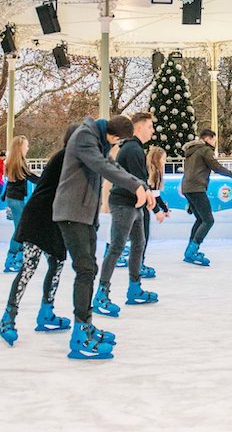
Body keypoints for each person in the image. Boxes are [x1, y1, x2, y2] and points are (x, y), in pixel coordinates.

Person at [53, 115, 153, 360]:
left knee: (90, 268)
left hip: (84, 214)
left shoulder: (96, 140)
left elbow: (114, 166)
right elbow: (103, 167)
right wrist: (135, 186)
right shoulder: (85, 137)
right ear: (115, 137)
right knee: (86, 270)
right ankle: (80, 334)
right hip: (71, 213)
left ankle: (85, 325)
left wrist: (141, 186)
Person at [0, 125, 77, 346]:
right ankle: (8, 317)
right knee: (29, 267)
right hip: (38, 219)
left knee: (57, 263)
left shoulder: (72, 159)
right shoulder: (64, 158)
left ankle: (46, 313)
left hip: (53, 220)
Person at [93, 112, 165, 317]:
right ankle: (101, 294)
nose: (153, 130)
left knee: (138, 244)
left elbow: (139, 181)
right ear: (140, 127)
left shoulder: (134, 148)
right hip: (124, 204)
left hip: (134, 205)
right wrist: (155, 205)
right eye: (150, 126)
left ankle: (134, 287)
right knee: (117, 247)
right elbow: (137, 181)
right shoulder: (133, 149)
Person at [180, 128, 232, 266]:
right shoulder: (205, 150)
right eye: (213, 139)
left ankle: (189, 250)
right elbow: (215, 166)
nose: (214, 142)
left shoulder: (191, 151)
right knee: (208, 220)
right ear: (207, 138)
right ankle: (192, 250)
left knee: (200, 219)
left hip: (188, 187)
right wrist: (230, 173)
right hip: (197, 188)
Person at [2, 135, 40, 273]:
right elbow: (32, 177)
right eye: (26, 145)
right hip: (16, 200)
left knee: (21, 229)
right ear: (20, 147)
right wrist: (48, 181)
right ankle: (12, 259)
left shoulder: (14, 162)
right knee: (20, 230)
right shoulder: (19, 163)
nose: (28, 147)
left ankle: (17, 257)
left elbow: (10, 183)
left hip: (14, 199)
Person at [141, 145, 170, 277]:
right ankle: (138, 264)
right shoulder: (150, 172)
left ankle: (138, 262)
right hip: (141, 206)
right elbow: (151, 196)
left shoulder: (156, 173)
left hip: (144, 207)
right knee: (142, 236)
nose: (165, 162)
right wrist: (158, 211)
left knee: (142, 235)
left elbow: (156, 195)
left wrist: (163, 209)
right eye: (164, 159)